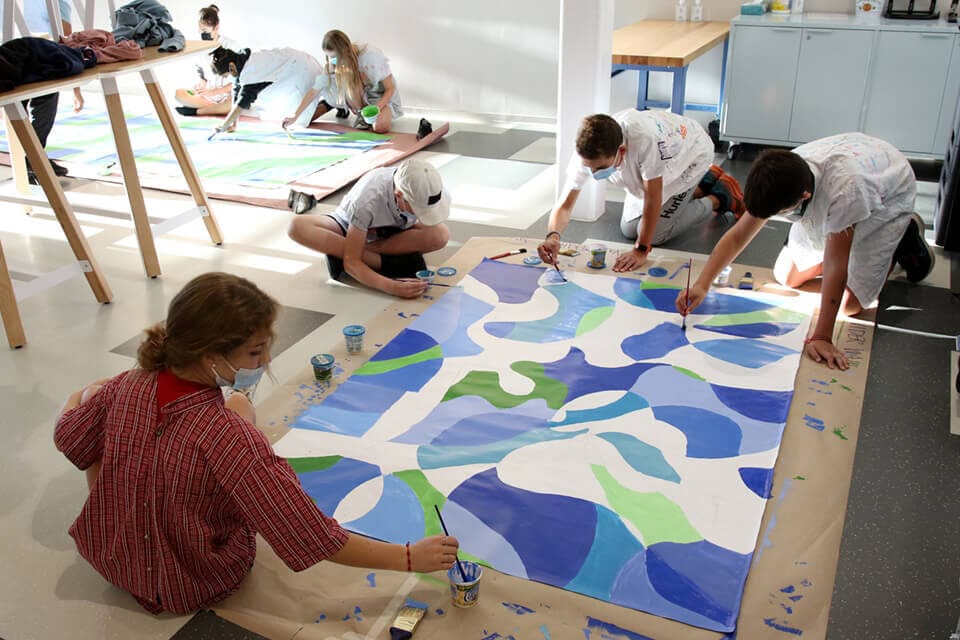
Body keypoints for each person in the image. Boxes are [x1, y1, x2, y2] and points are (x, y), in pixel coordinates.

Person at [53, 272, 459, 615]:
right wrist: (408, 557)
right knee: (237, 417)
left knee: (123, 404)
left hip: (112, 558)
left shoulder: (129, 382)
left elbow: (69, 437)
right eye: (255, 352)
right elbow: (310, 535)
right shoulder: (230, 439)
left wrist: (80, 396)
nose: (265, 362)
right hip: (189, 582)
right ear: (210, 356)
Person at [675, 132, 934, 371]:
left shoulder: (846, 191)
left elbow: (836, 262)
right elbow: (737, 236)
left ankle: (904, 237)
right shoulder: (778, 175)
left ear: (803, 197)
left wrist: (822, 336)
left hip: (887, 193)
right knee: (787, 277)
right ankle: (840, 237)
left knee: (849, 305)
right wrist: (702, 284)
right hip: (851, 169)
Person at [537, 110, 745, 272]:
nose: (593, 173)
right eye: (589, 167)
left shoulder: (645, 142)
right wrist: (553, 236)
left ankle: (720, 195)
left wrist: (641, 250)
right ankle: (704, 184)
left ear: (621, 151)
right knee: (630, 230)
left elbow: (653, 199)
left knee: (656, 235)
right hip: (645, 169)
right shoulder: (587, 150)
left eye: (600, 168)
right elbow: (565, 205)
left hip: (689, 157)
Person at [288, 159, 450, 299]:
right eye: (418, 210)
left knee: (441, 235)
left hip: (392, 232)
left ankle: (365, 254)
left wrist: (358, 252)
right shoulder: (367, 199)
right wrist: (392, 286)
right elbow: (351, 263)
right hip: (349, 227)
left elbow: (432, 229)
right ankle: (375, 258)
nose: (421, 215)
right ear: (399, 195)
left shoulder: (431, 188)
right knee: (297, 227)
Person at [4, 0, 85, 183]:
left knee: (47, 89)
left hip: (28, 61)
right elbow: (65, 44)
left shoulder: (57, 4)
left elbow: (63, 42)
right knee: (38, 92)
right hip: (16, 61)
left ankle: (34, 156)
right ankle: (34, 157)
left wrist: (76, 88)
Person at [283, 29, 401, 134]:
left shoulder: (371, 57)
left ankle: (362, 113)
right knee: (305, 118)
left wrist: (377, 108)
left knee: (380, 127)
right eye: (329, 57)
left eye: (334, 57)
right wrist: (294, 117)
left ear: (345, 51)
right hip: (358, 100)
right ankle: (360, 114)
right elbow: (313, 92)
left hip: (380, 98)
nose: (332, 61)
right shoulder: (333, 66)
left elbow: (390, 88)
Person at [208, 45, 324, 136]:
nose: (227, 78)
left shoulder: (252, 72)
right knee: (287, 111)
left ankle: (328, 105)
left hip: (302, 69)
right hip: (299, 61)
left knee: (299, 119)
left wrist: (224, 125)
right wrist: (233, 123)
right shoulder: (241, 59)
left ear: (231, 67)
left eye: (226, 75)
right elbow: (236, 91)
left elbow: (242, 103)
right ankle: (326, 104)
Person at [174, 5, 237, 117]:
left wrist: (215, 92)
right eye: (200, 30)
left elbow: (238, 81)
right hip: (209, 95)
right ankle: (215, 108)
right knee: (178, 94)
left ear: (216, 27)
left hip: (227, 94)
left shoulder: (231, 46)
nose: (202, 34)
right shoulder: (201, 47)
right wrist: (201, 84)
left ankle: (198, 111)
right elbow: (202, 74)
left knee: (234, 103)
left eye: (204, 31)